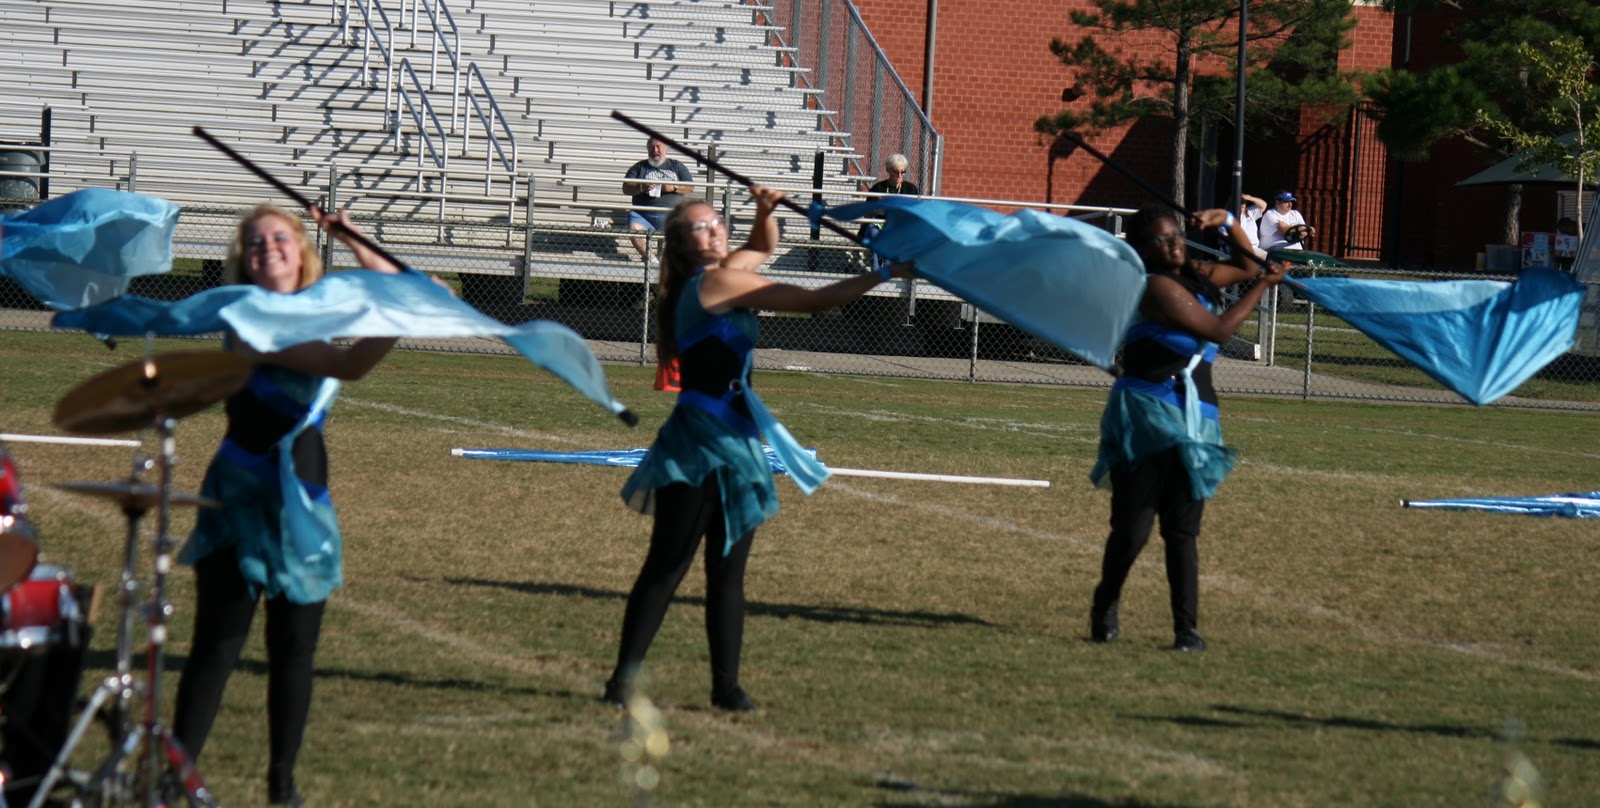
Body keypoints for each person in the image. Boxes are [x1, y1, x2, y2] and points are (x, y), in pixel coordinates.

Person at [604, 185, 911, 712]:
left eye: (717, 222)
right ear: (681, 243)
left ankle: (726, 688)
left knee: (725, 573)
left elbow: (762, 248)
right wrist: (887, 273)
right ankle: (623, 680)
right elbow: (813, 301)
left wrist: (764, 212)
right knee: (668, 566)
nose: (715, 229)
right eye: (701, 226)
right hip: (702, 442)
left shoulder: (715, 274)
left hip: (737, 442)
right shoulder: (716, 282)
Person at [171, 202, 404, 807]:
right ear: (242, 264)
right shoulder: (252, 317)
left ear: (302, 250)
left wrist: (349, 232)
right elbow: (350, 364)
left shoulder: (313, 311)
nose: (267, 248)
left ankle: (283, 788)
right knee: (217, 646)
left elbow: (386, 281)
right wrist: (402, 311)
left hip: (303, 502)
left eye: (280, 238)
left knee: (294, 651)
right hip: (239, 500)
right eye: (254, 243)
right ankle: (173, 779)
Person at [1088, 204, 1285, 653]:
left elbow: (1245, 263)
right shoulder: (1154, 287)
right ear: (1142, 248)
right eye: (1162, 239)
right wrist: (1261, 287)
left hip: (1197, 417)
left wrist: (1229, 223)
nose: (1174, 243)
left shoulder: (1196, 273)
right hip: (1147, 416)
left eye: (1177, 234)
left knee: (1182, 530)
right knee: (1133, 529)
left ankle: (1186, 631)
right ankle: (1106, 603)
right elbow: (1217, 331)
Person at [622, 137, 695, 266]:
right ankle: (652, 260)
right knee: (634, 228)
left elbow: (690, 187)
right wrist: (641, 187)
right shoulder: (639, 167)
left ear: (666, 149)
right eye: (651, 147)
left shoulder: (677, 166)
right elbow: (626, 188)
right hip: (643, 215)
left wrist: (674, 187)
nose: (655, 150)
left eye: (658, 146)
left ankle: (666, 261)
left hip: (671, 215)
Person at [859, 154, 921, 272]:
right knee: (873, 231)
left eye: (902, 172)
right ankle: (876, 269)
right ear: (888, 170)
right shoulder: (878, 188)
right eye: (895, 172)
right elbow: (866, 214)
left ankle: (888, 267)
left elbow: (915, 213)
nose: (899, 175)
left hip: (899, 227)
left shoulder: (910, 189)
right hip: (880, 225)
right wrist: (877, 211)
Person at [1237, 193, 1268, 261]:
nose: (1242, 205)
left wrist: (1251, 198)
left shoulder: (1250, 212)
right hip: (1240, 248)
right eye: (1239, 202)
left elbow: (1263, 205)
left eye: (1243, 202)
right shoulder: (1230, 216)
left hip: (1254, 247)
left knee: (1267, 257)